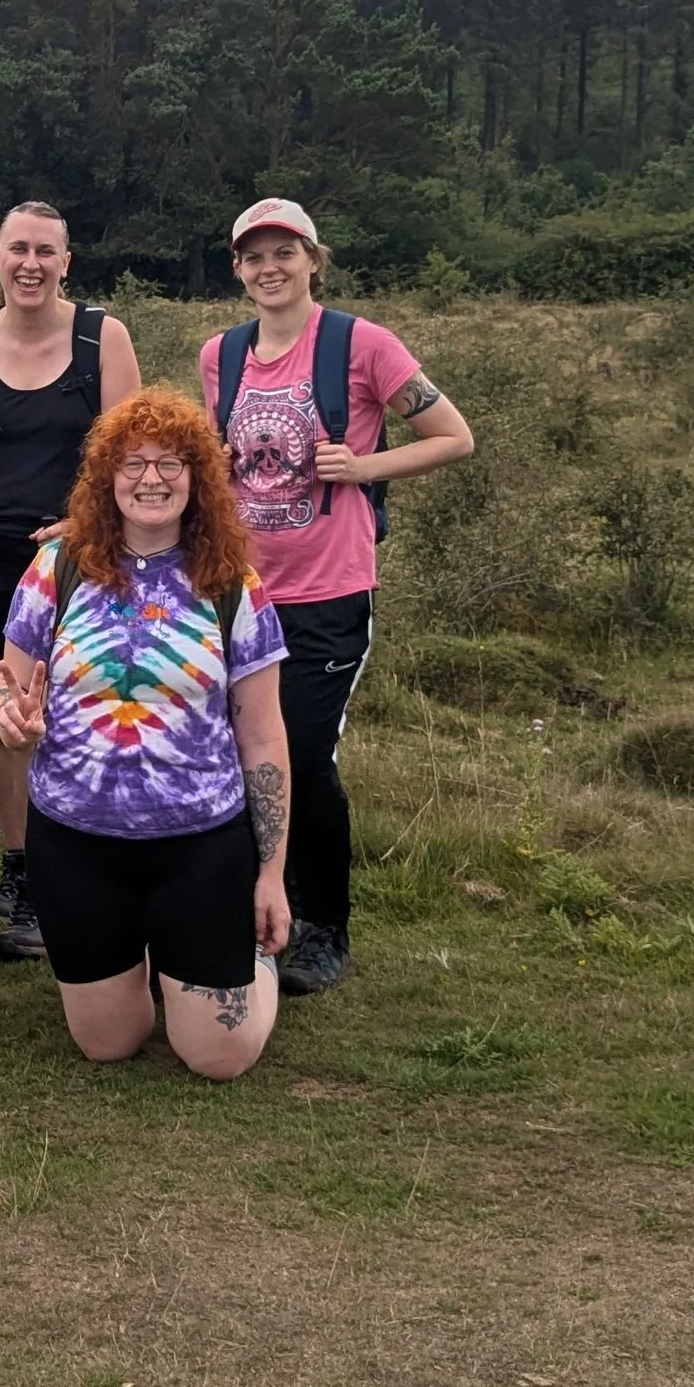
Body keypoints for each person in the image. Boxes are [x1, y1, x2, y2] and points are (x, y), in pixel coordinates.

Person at [198, 197, 475, 994]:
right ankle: (248, 904)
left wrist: (364, 468)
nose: (270, 268)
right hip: (240, 590)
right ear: (239, 268)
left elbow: (454, 435)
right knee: (233, 750)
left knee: (305, 758)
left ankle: (325, 926)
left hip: (329, 593)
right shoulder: (222, 353)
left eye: (285, 252)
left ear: (314, 259)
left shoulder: (363, 344)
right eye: (254, 256)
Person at [0, 392, 292, 1081]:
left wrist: (270, 874)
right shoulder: (57, 567)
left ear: (199, 479)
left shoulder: (230, 584)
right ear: (107, 478)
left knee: (219, 1056)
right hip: (75, 842)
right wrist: (11, 716)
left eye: (171, 463)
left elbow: (265, 738)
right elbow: (10, 689)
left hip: (199, 844)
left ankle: (251, 960)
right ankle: (151, 956)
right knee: (109, 1042)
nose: (151, 478)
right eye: (133, 463)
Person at [0, 202, 140, 963]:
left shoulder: (102, 337)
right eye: (16, 247)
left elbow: (129, 450)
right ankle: (18, 871)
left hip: (78, 553)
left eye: (44, 250)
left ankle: (66, 877)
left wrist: (84, 526)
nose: (30, 262)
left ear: (66, 260)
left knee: (74, 713)